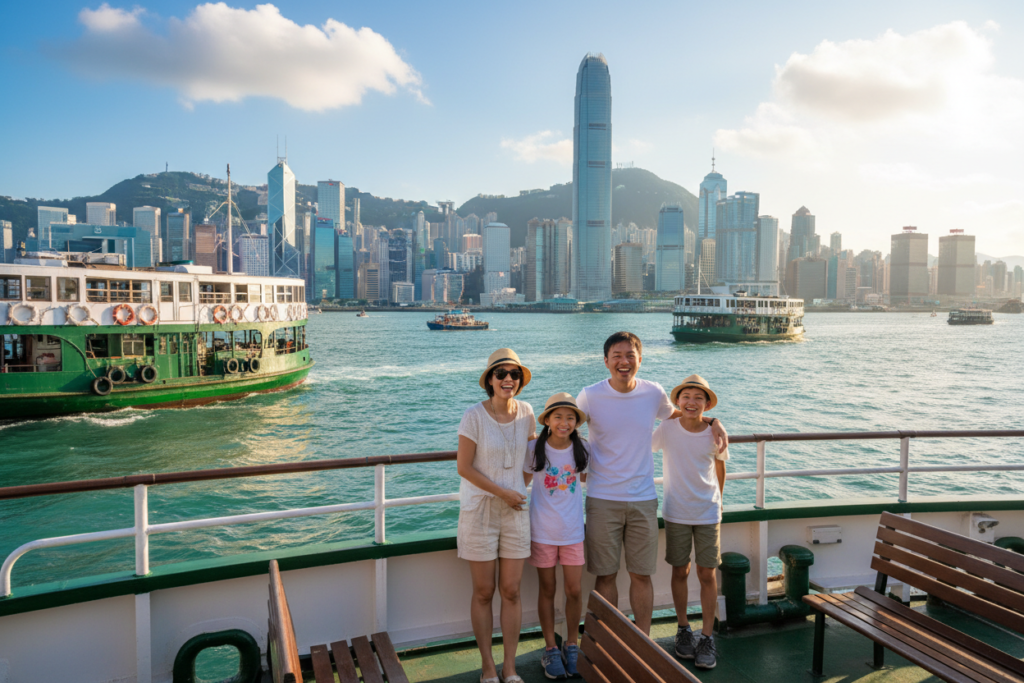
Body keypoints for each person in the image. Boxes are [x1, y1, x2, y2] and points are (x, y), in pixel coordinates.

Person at [576, 331, 727, 635]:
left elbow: (684, 415)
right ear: (606, 361)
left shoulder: (652, 393)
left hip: (644, 498)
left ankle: (641, 645)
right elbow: (565, 427)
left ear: (640, 360)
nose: (624, 361)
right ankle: (608, 640)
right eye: (617, 356)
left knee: (640, 576)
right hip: (602, 498)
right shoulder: (589, 395)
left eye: (630, 355)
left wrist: (714, 421)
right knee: (605, 576)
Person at [456, 348, 536, 683]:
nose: (508, 379)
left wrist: (518, 486)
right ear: (489, 380)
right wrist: (502, 490)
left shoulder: (528, 413)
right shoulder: (474, 416)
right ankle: (488, 667)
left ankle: (510, 667)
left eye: (514, 374)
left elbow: (532, 459)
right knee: (484, 592)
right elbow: (464, 467)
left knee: (512, 591)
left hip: (515, 512)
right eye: (500, 373)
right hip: (480, 512)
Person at [653, 375, 728, 669]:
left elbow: (720, 468)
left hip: (708, 513)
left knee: (707, 574)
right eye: (686, 396)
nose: (691, 402)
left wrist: (719, 501)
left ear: (706, 404)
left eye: (698, 397)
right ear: (677, 401)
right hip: (676, 512)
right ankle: (683, 629)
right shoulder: (667, 429)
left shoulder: (715, 432)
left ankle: (707, 636)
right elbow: (641, 447)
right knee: (680, 571)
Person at [523, 393, 590, 679]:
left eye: (571, 417)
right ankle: (551, 648)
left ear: (576, 422)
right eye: (558, 416)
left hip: (573, 531)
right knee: (547, 590)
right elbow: (522, 481)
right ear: (547, 420)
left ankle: (572, 644)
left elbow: (585, 479)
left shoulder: (582, 448)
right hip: (542, 531)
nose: (564, 422)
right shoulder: (534, 448)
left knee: (574, 590)